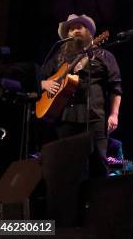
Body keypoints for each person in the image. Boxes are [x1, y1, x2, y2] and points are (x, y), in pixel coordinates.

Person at [40, 14, 122, 159]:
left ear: (89, 32)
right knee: (66, 164)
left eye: (79, 27)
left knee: (97, 165)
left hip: (95, 117)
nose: (75, 31)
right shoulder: (59, 57)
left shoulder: (105, 56)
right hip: (65, 118)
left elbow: (115, 87)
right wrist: (44, 83)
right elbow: (40, 77)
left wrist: (114, 114)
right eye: (71, 29)